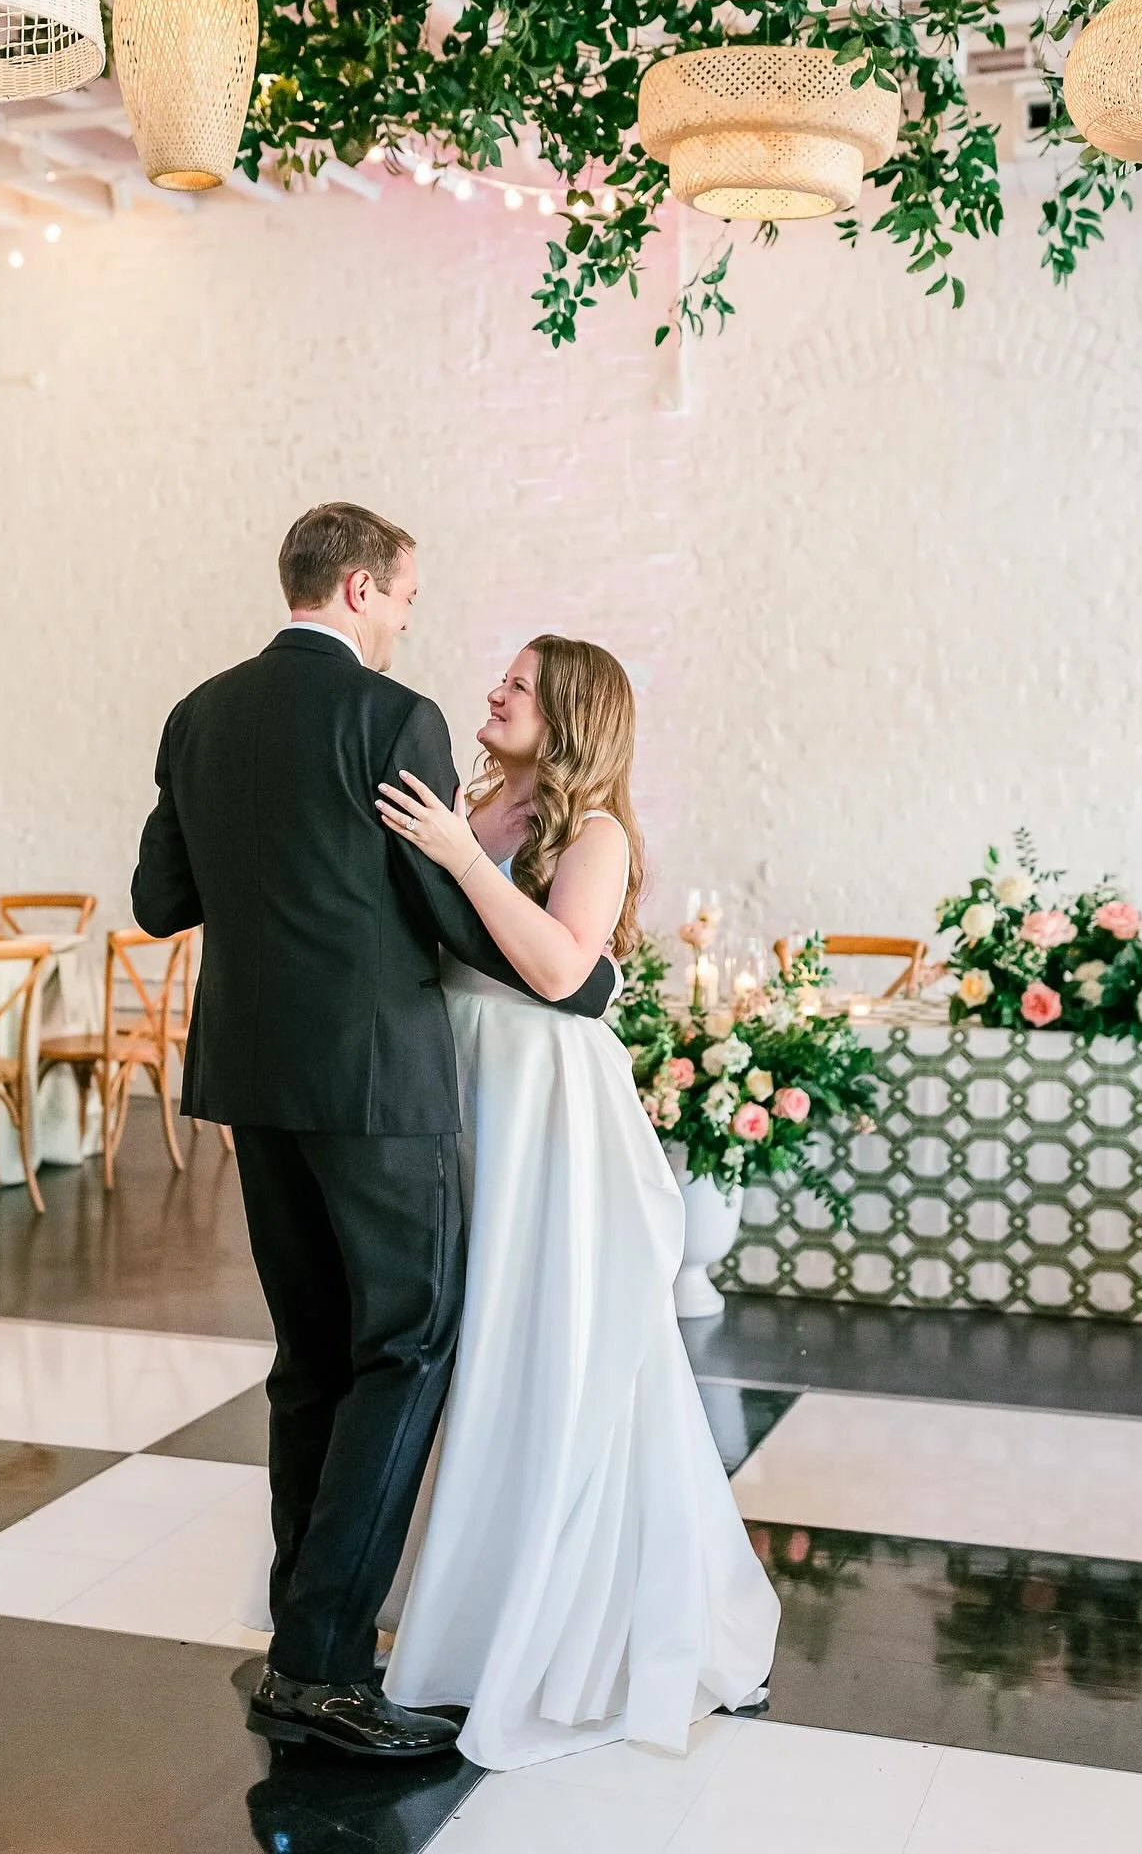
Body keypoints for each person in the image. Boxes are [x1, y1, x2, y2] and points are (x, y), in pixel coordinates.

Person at [130, 506, 617, 1761]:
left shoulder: (199, 712)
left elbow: (159, 900)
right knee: (403, 1348)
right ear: (357, 589)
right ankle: (323, 1664)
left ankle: (306, 1634)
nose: (408, 620)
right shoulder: (387, 719)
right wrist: (578, 980)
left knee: (311, 1357)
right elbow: (437, 903)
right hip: (376, 1086)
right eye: (403, 597)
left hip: (250, 1077)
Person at [373, 634, 780, 1770]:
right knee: (473, 1342)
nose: (493, 691)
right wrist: (457, 840)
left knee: (550, 1342)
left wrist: (459, 857)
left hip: (544, 1101)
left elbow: (561, 970)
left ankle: (576, 1617)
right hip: (463, 1084)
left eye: (520, 686)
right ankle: (471, 1595)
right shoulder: (476, 803)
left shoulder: (590, 831)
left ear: (572, 717)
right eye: (500, 678)